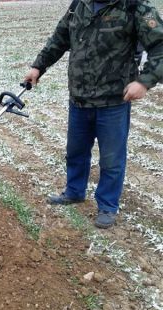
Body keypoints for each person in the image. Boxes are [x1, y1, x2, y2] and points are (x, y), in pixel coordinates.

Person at [24, 0, 163, 228]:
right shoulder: (79, 4)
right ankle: (74, 192)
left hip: (113, 101)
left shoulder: (134, 6)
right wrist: (38, 66)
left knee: (111, 159)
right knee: (75, 152)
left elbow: (160, 45)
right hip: (79, 97)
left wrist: (144, 82)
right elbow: (60, 38)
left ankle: (107, 206)